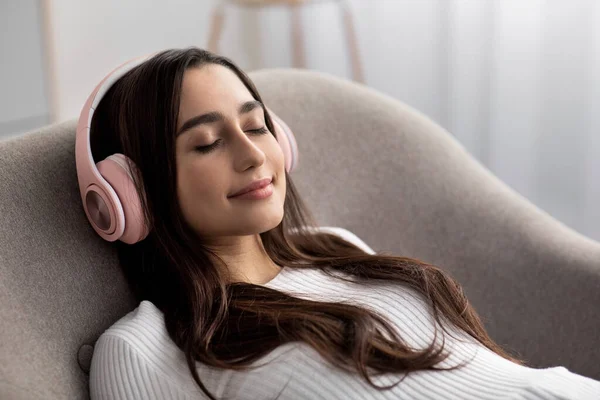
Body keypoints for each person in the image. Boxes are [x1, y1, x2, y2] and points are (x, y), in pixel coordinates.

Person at [86, 47, 600, 399]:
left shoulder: (334, 247)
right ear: (134, 191)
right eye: (208, 143)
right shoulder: (144, 349)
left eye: (256, 125)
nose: (252, 156)